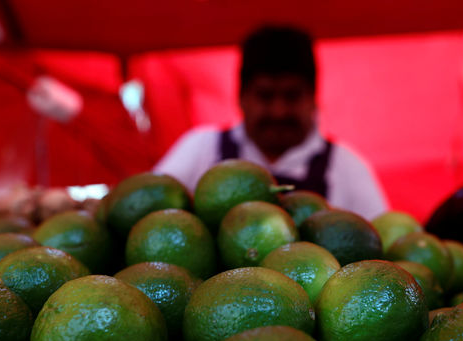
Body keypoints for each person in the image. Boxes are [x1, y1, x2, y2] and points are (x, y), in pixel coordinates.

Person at [154, 25, 389, 220]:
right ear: (241, 97)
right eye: (265, 96)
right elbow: (151, 213)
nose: (278, 112)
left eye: (292, 96)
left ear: (313, 97)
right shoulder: (201, 147)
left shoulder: (347, 168)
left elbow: (380, 247)